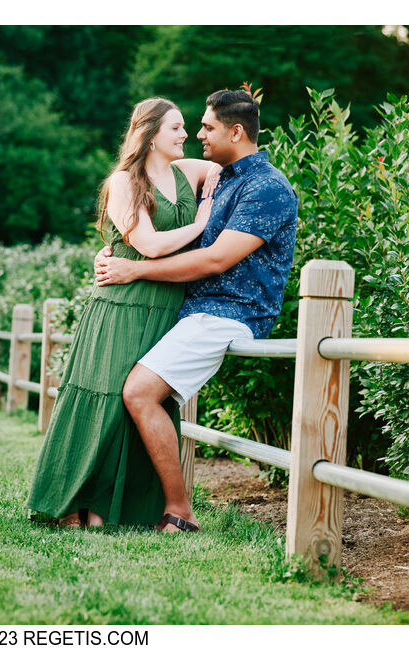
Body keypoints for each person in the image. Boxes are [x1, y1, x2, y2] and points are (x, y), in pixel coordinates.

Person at [94, 89, 299, 533]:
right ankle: (107, 501)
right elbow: (154, 208)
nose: (198, 134)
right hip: (192, 307)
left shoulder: (268, 188)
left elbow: (215, 260)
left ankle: (180, 511)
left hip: (229, 313)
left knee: (139, 392)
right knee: (121, 387)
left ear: (236, 131)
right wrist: (113, 250)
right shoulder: (220, 177)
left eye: (207, 127)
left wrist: (136, 271)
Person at [25, 97, 220, 528]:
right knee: (107, 403)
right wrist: (202, 224)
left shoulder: (186, 172)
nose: (185, 134)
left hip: (165, 310)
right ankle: (77, 505)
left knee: (143, 406)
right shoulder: (123, 183)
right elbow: (148, 246)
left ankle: (116, 509)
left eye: (186, 127)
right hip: (121, 308)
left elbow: (232, 162)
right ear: (149, 134)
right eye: (175, 128)